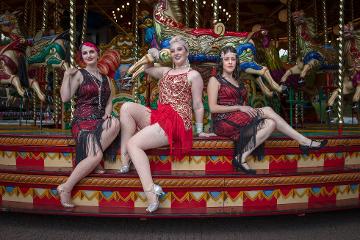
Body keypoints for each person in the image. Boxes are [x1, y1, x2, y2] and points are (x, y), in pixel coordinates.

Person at [119, 35, 211, 213]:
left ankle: (151, 192)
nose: (176, 53)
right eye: (173, 50)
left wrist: (200, 131)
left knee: (134, 144)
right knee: (126, 107)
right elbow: (146, 69)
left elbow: (198, 105)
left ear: (187, 52)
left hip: (177, 119)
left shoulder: (193, 75)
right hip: (161, 114)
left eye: (180, 49)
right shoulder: (166, 71)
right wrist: (152, 54)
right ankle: (125, 157)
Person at [207, 45, 327, 174]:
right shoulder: (215, 80)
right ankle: (303, 141)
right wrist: (239, 107)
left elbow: (243, 105)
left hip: (237, 118)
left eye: (233, 59)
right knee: (268, 109)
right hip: (223, 121)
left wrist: (244, 109)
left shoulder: (238, 81)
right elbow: (213, 108)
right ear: (221, 61)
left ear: (236, 61)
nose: (230, 62)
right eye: (226, 59)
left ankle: (240, 157)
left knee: (271, 123)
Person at [57, 42, 120, 207]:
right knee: (96, 156)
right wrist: (66, 76)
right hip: (83, 121)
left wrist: (108, 111)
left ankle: (91, 163)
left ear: (98, 54)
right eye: (85, 53)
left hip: (99, 119)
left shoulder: (105, 78)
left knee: (115, 123)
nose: (89, 55)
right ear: (82, 57)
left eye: (92, 52)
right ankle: (66, 187)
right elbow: (65, 98)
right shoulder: (79, 74)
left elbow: (109, 100)